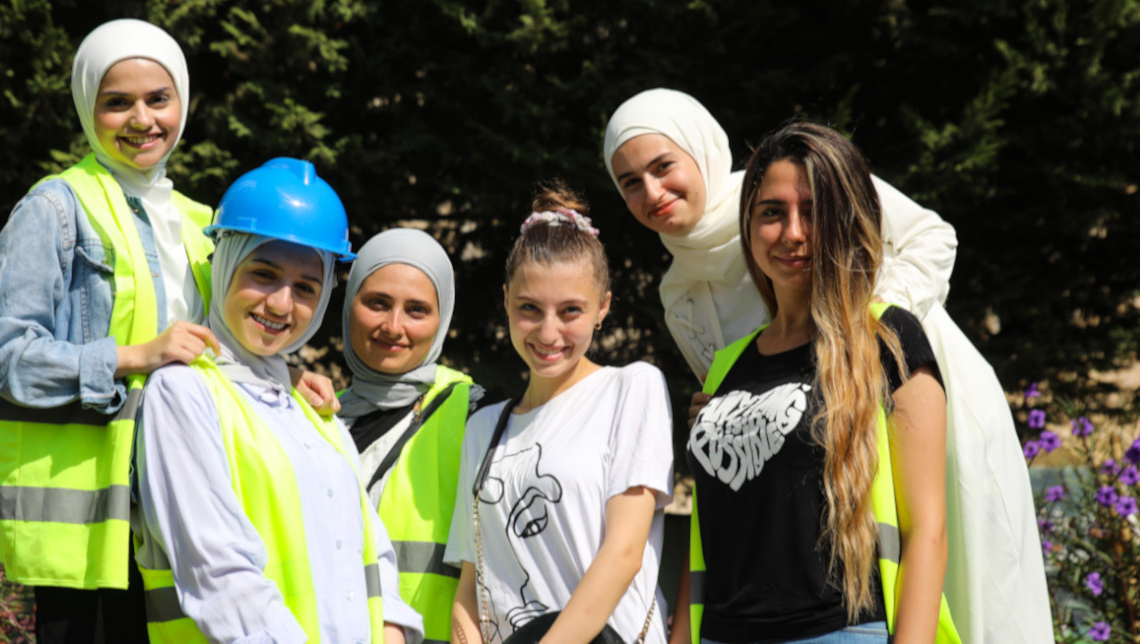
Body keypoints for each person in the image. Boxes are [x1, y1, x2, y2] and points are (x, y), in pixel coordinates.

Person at [604, 89, 1051, 643]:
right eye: (629, 182)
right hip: (789, 534)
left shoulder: (792, 177)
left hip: (906, 407)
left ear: (700, 149)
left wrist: (852, 334)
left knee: (973, 586)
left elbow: (932, 238)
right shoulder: (682, 297)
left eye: (663, 166)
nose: (652, 191)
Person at [0, 20, 333, 642]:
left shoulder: (199, 221)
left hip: (183, 507)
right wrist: (136, 356)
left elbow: (225, 344)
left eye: (158, 99)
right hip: (91, 536)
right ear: (88, 108)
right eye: (117, 102)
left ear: (182, 103)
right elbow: (4, 350)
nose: (141, 118)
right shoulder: (55, 207)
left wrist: (287, 381)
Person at [684, 122, 957, 643]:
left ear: (849, 220)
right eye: (772, 212)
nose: (792, 233)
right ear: (749, 225)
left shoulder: (889, 339)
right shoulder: (725, 367)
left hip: (841, 632)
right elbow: (712, 531)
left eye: (814, 212)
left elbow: (928, 533)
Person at [133, 157, 423, 643]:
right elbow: (219, 574)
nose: (281, 304)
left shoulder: (311, 407)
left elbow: (370, 554)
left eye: (306, 287)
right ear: (224, 264)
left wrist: (392, 629)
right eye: (263, 274)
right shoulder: (182, 393)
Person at [447, 183, 673, 644]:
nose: (549, 332)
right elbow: (473, 585)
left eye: (570, 310)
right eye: (530, 308)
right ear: (507, 300)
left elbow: (625, 553)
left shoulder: (631, 388)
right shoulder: (484, 428)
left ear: (602, 308)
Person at [336, 227, 489, 644]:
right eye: (377, 303)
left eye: (417, 310)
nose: (393, 326)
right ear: (350, 305)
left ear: (443, 320)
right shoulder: (316, 417)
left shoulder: (475, 414)